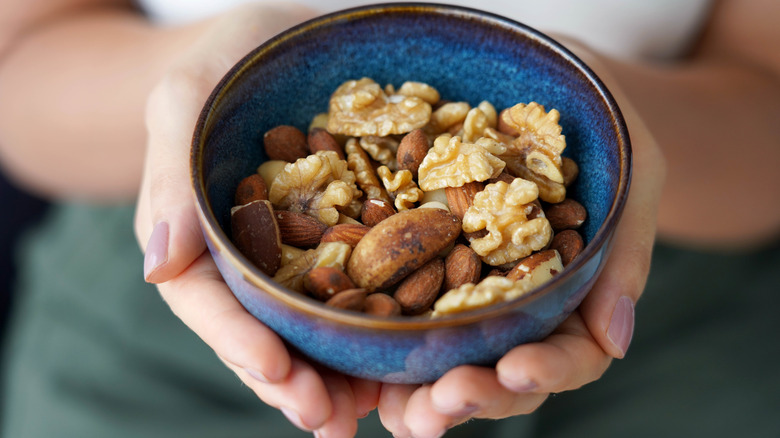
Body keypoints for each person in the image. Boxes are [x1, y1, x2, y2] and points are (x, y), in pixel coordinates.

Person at [0, 1, 777, 438]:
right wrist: (196, 80)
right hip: (160, 321)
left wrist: (612, 107)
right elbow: (18, 69)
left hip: (668, 308)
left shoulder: (476, 197)